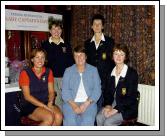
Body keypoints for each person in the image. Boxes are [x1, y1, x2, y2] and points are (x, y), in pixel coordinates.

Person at [96, 44, 139, 126]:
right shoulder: (110, 72)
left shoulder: (132, 74)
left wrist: (115, 110)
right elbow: (107, 92)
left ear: (125, 57)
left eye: (121, 54)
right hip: (114, 103)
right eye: (116, 54)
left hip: (127, 107)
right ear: (112, 56)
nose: (118, 57)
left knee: (108, 122)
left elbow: (131, 97)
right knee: (99, 117)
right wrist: (108, 105)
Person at [19, 48, 63, 126]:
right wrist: (44, 106)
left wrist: (50, 103)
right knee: (49, 117)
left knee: (59, 116)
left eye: (42, 57)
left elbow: (51, 92)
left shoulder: (48, 71)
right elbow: (27, 97)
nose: (40, 60)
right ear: (32, 59)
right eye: (37, 57)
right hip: (30, 105)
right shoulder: (25, 73)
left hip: (46, 102)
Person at [62, 46, 101, 126]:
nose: (79, 58)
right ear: (73, 58)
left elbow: (97, 90)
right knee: (70, 120)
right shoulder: (68, 71)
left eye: (81, 55)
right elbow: (65, 91)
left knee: (87, 120)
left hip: (89, 103)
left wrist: (86, 103)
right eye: (76, 56)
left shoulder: (93, 70)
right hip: (71, 103)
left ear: (86, 56)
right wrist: (74, 106)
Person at [41, 17, 74, 109]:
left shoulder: (66, 44)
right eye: (53, 29)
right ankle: (59, 121)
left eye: (58, 29)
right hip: (51, 79)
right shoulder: (44, 45)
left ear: (61, 30)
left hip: (65, 78)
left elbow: (71, 62)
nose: (56, 31)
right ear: (50, 31)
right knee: (57, 102)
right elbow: (42, 63)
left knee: (67, 101)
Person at [84, 14, 115, 111]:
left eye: (99, 24)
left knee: (102, 107)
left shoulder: (110, 42)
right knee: (91, 107)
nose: (97, 26)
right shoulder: (87, 43)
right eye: (95, 24)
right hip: (91, 81)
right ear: (91, 27)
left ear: (103, 26)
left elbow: (113, 62)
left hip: (105, 81)